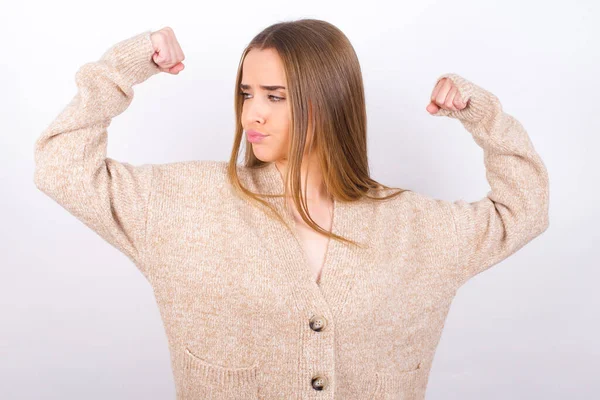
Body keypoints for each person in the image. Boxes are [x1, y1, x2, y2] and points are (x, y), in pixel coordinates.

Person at [33, 19, 549, 400]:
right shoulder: (183, 205)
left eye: (275, 96)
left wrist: (483, 116)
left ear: (329, 101)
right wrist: (123, 67)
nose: (252, 113)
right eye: (246, 93)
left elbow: (524, 210)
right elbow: (60, 166)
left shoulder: (413, 227)